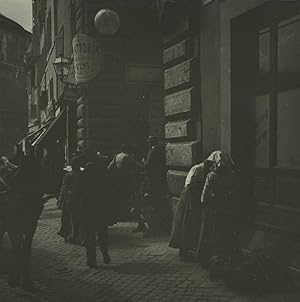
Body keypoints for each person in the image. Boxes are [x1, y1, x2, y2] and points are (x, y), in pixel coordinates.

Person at [196, 150, 237, 267]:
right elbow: (233, 192)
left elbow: (205, 195)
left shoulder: (212, 176)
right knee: (224, 231)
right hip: (226, 207)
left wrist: (206, 200)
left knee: (210, 230)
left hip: (213, 207)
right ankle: (224, 256)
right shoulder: (232, 176)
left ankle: (207, 257)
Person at [169, 157, 213, 260]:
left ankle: (189, 249)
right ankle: (184, 250)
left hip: (194, 197)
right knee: (187, 221)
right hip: (190, 197)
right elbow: (191, 184)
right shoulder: (197, 168)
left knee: (191, 222)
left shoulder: (204, 169)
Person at [80, 147, 113, 268]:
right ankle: (105, 255)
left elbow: (80, 191)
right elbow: (109, 188)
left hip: (88, 207)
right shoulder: (103, 170)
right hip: (101, 205)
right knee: (102, 232)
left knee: (89, 235)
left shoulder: (84, 173)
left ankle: (91, 260)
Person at [108, 144, 143, 221]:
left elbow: (109, 167)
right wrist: (142, 166)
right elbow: (136, 165)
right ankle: (126, 215)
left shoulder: (116, 156)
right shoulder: (127, 156)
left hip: (117, 179)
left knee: (120, 196)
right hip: (126, 179)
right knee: (127, 196)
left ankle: (120, 215)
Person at [143, 136, 167, 236]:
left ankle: (152, 229)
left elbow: (148, 165)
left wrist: (144, 162)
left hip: (153, 181)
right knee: (158, 204)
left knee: (152, 205)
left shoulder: (152, 152)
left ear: (150, 143)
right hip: (160, 180)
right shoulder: (161, 150)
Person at [57, 157, 82, 243]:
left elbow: (64, 188)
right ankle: (76, 235)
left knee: (69, 218)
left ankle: (71, 235)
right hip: (79, 198)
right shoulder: (82, 175)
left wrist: (61, 199)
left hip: (70, 199)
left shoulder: (68, 175)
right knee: (77, 218)